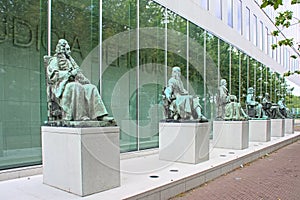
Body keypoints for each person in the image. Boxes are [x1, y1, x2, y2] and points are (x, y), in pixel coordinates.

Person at [47, 39, 112, 121]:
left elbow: (79, 75)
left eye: (69, 49)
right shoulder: (54, 60)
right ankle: (79, 116)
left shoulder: (71, 61)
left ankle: (100, 115)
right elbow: (54, 75)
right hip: (62, 86)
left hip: (75, 83)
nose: (69, 52)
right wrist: (69, 74)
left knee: (91, 88)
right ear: (61, 49)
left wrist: (82, 78)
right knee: (76, 86)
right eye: (67, 49)